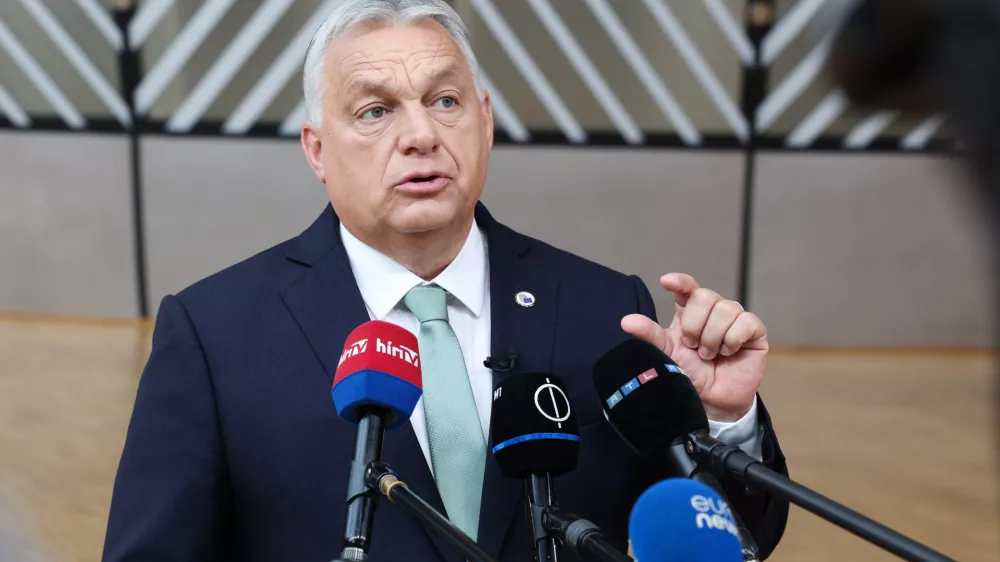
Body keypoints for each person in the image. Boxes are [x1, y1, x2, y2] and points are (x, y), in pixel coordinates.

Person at [102, 1, 789, 560]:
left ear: (484, 122)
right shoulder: (215, 334)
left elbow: (723, 542)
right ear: (318, 149)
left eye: (445, 101)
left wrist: (726, 423)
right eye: (375, 111)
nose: (421, 135)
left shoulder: (608, 311)